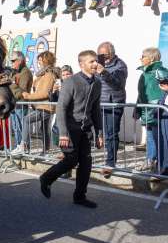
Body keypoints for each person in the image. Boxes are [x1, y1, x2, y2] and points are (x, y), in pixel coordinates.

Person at [39, 50, 103, 208]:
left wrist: (99, 133)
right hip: (69, 128)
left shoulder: (98, 83)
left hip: (85, 129)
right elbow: (61, 108)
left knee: (86, 163)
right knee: (71, 160)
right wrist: (63, 133)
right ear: (82, 64)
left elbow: (95, 109)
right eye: (91, 62)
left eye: (96, 61)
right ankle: (46, 178)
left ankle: (80, 196)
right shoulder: (71, 82)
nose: (95, 64)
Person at [12, 51, 59, 155]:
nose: (39, 62)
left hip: (46, 106)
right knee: (44, 129)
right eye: (38, 60)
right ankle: (45, 151)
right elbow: (38, 90)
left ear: (47, 60)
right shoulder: (42, 75)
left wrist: (29, 96)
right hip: (41, 106)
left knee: (27, 119)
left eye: (40, 59)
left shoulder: (49, 75)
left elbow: (44, 93)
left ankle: (24, 146)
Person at [95, 42, 128, 177]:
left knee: (111, 133)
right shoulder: (97, 64)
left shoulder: (120, 65)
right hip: (99, 103)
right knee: (97, 133)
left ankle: (110, 163)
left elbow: (117, 84)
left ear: (112, 53)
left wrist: (104, 72)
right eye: (100, 55)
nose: (103, 58)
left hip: (113, 104)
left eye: (105, 55)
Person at [135, 47, 167, 172]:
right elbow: (142, 94)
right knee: (150, 137)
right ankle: (150, 161)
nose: (140, 59)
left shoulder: (160, 72)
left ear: (151, 58)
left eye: (143, 56)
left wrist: (159, 106)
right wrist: (137, 109)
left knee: (158, 138)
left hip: (158, 111)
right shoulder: (145, 73)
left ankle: (161, 165)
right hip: (147, 110)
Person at [9, 51, 33, 148]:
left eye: (14, 61)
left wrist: (10, 84)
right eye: (11, 61)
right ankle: (19, 145)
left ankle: (25, 147)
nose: (12, 63)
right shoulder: (15, 73)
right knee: (16, 127)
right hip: (14, 103)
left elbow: (22, 91)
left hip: (21, 103)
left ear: (20, 60)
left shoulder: (25, 72)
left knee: (22, 127)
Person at [155, 67, 168, 174]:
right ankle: (163, 168)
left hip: (165, 113)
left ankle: (164, 168)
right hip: (163, 114)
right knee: (163, 141)